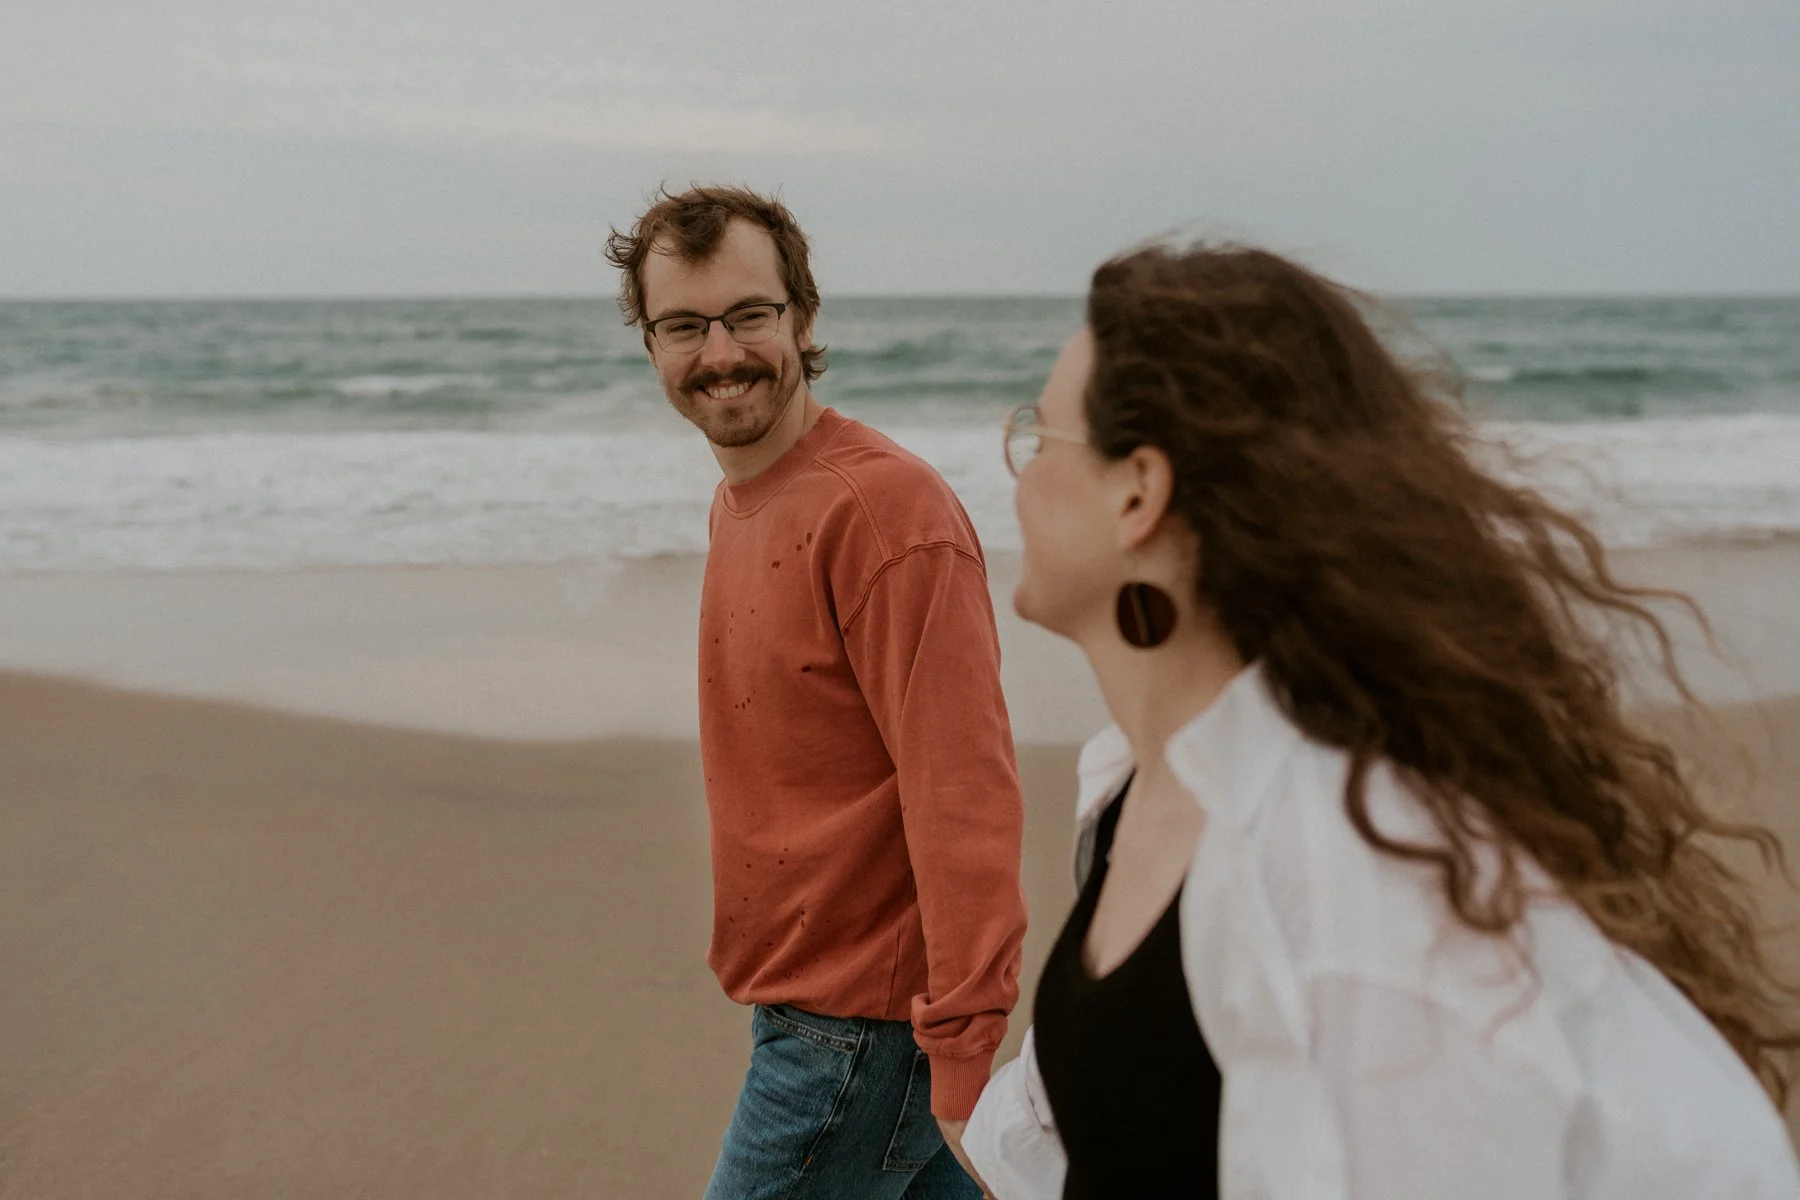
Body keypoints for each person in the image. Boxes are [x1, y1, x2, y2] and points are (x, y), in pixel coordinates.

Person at [961, 241, 1800, 1198]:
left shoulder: (1360, 871)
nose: (1019, 477)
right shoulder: (1145, 786)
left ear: (1140, 493)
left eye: (1039, 438)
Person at [605, 185, 1027, 1199]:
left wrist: (965, 1046)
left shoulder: (882, 511)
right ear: (651, 343)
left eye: (749, 316)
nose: (720, 354)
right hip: (808, 1009)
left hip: (859, 1033)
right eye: (684, 326)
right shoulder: (744, 499)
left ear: (802, 316)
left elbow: (961, 787)